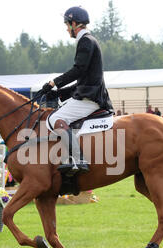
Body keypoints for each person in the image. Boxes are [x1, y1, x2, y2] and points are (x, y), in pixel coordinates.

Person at [41, 6, 113, 176]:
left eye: (67, 25)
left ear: (74, 24)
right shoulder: (88, 40)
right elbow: (83, 79)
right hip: (89, 94)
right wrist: (59, 93)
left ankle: (78, 159)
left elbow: (78, 70)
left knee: (55, 118)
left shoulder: (86, 41)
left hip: (91, 98)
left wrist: (54, 83)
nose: (67, 29)